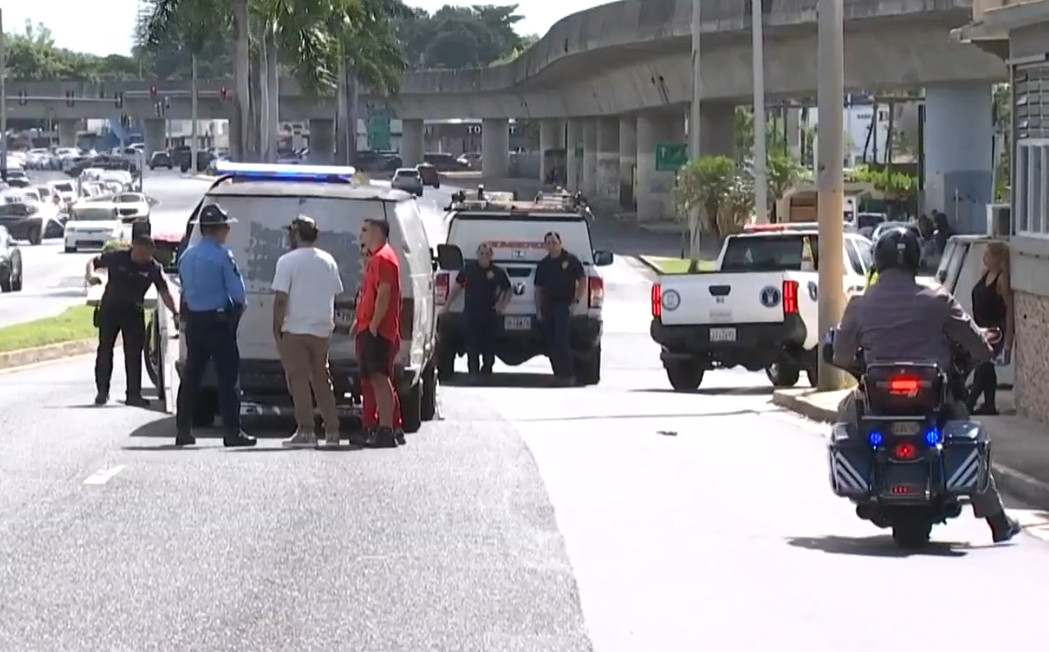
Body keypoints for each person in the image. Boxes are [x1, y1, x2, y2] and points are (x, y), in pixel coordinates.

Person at [832, 228, 1021, 543]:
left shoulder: (859, 303)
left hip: (878, 401)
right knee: (962, 427)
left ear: (878, 260)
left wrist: (860, 364)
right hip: (932, 398)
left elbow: (840, 354)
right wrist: (979, 351)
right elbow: (978, 346)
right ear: (915, 260)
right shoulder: (937, 298)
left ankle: (863, 485)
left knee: (846, 415)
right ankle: (997, 521)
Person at [174, 204, 256, 448]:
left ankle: (183, 429)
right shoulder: (222, 256)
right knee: (228, 379)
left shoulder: (187, 256)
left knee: (191, 376)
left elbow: (185, 291)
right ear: (217, 229)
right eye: (225, 227)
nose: (227, 231)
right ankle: (232, 432)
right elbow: (238, 295)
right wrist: (235, 317)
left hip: (195, 321)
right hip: (218, 321)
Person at [271, 215, 344, 448]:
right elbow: (335, 291)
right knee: (321, 378)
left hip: (296, 327)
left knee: (299, 379)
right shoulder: (328, 260)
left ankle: (306, 430)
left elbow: (281, 299)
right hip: (322, 328)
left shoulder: (287, 262)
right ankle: (332, 431)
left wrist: (276, 326)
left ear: (296, 235)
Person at [85, 235, 178, 406]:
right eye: (141, 253)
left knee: (134, 354)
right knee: (105, 350)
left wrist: (176, 313)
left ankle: (133, 395)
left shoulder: (153, 268)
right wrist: (90, 275)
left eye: (147, 255)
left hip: (133, 312)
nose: (143, 258)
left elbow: (165, 293)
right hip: (110, 310)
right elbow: (93, 261)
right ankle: (102, 392)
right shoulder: (117, 257)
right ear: (133, 247)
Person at [356, 218, 403, 448]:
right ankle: (379, 427)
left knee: (381, 379)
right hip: (368, 328)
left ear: (376, 231)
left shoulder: (384, 258)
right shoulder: (376, 258)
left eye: (365, 230)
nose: (361, 235)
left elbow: (384, 293)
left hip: (379, 331)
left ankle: (387, 429)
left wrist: (374, 324)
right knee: (373, 380)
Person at [445, 242, 511, 381]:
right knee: (472, 344)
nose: (484, 256)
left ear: (491, 255)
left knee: (489, 345)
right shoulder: (469, 269)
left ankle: (487, 370)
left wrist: (501, 305)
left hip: (489, 313)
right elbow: (458, 287)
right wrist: (447, 306)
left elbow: (508, 290)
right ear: (477, 254)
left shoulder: (497, 272)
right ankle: (473, 372)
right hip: (471, 312)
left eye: (487, 253)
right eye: (482, 253)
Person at [967, 241, 1013, 416]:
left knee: (983, 363)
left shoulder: (1001, 279)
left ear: (997, 258)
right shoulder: (985, 274)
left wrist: (1009, 338)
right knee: (987, 366)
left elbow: (1009, 308)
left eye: (988, 255)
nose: (984, 258)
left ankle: (969, 404)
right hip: (981, 328)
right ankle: (989, 405)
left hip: (996, 329)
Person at [534, 231, 586, 386]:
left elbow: (582, 280)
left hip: (564, 306)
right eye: (548, 243)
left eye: (554, 242)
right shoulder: (544, 264)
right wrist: (538, 309)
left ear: (560, 243)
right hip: (548, 307)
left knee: (562, 342)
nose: (552, 245)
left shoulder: (571, 260)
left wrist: (576, 299)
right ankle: (558, 374)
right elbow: (538, 289)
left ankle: (568, 375)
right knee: (551, 342)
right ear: (545, 246)